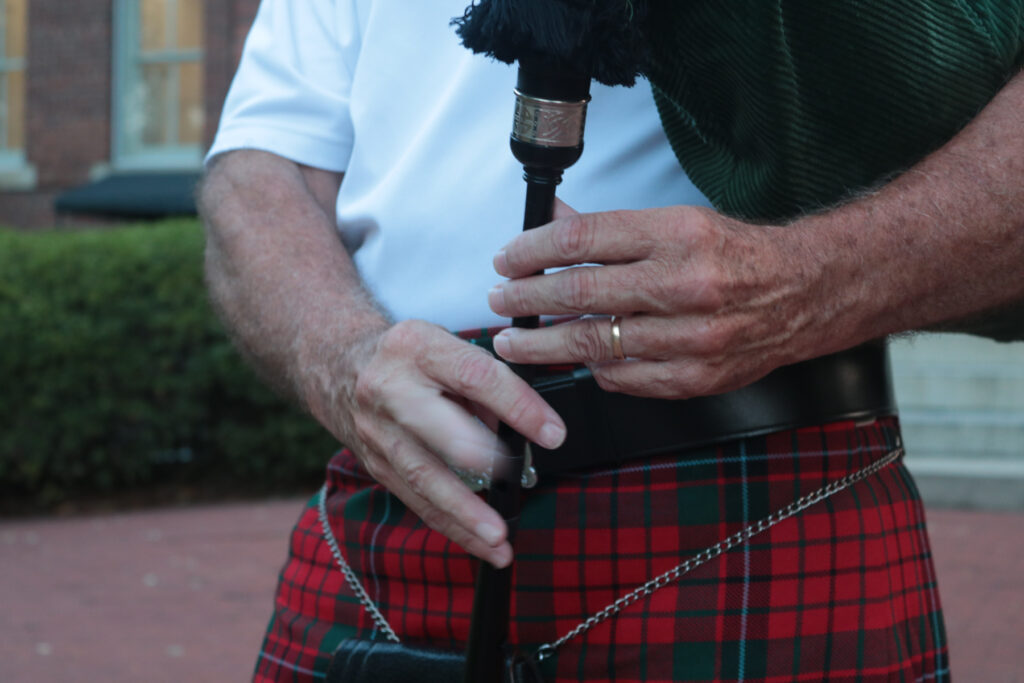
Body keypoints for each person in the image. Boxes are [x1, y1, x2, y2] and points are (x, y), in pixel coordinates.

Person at [199, 1, 1023, 681]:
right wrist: (342, 358)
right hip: (395, 502)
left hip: (750, 495)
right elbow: (260, 171)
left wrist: (813, 279)